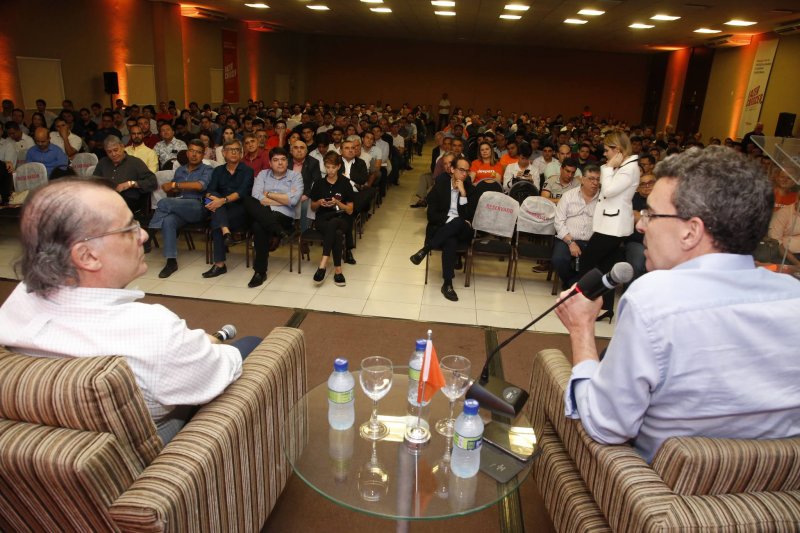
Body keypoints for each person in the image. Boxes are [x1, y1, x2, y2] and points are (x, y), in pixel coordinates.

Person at [555, 146, 800, 464]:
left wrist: (581, 328)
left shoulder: (653, 300)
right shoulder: (793, 295)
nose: (641, 225)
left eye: (652, 215)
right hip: (770, 491)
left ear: (691, 232)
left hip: (651, 489)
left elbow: (605, 426)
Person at [0, 178, 261, 444]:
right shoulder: (152, 329)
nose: (144, 235)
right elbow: (221, 369)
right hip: (153, 447)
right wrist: (208, 344)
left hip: (59, 443)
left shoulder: (18, 300)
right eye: (129, 229)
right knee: (252, 345)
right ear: (87, 256)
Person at [577, 132, 640, 321]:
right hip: (609, 224)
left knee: (587, 261)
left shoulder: (629, 169)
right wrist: (611, 167)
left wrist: (608, 168)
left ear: (617, 149)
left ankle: (586, 303)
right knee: (606, 266)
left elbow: (609, 190)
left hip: (613, 226)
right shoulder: (623, 167)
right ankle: (605, 307)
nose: (604, 154)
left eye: (606, 150)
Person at [409, 155, 474, 302]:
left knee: (458, 222)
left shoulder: (469, 187)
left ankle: (425, 249)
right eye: (461, 170)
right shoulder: (440, 185)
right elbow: (431, 215)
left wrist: (463, 194)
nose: (464, 174)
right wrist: (450, 221)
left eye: (467, 171)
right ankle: (447, 283)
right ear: (452, 169)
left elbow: (468, 216)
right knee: (450, 240)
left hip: (463, 230)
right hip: (443, 228)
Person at [149, 139, 213, 278]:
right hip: (179, 206)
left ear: (203, 155)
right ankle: (171, 261)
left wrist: (174, 185)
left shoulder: (207, 169)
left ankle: (150, 233)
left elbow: (200, 186)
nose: (194, 155)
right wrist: (170, 188)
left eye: (198, 152)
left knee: (164, 203)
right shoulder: (180, 170)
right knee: (169, 221)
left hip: (198, 207)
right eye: (191, 151)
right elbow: (174, 192)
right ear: (187, 152)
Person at [244, 147, 303, 287]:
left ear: (287, 162)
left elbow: (294, 201)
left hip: (284, 216)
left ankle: (260, 272)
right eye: (276, 160)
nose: (280, 163)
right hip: (265, 212)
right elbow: (256, 196)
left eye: (283, 160)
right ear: (270, 163)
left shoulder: (295, 176)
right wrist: (284, 198)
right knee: (247, 200)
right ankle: (278, 231)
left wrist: (268, 195)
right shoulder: (263, 174)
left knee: (258, 225)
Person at [202, 139, 254, 278]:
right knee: (212, 198)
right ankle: (226, 232)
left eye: (237, 150)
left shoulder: (247, 170)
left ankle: (220, 265)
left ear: (241, 154)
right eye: (230, 149)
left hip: (240, 210)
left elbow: (242, 193)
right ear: (224, 153)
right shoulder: (218, 170)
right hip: (220, 209)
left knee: (217, 217)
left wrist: (222, 201)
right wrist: (213, 200)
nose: (234, 152)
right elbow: (209, 191)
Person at [309, 150, 354, 287]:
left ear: (339, 166)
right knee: (337, 233)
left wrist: (338, 203)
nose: (330, 170)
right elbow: (313, 207)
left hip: (341, 218)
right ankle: (338, 271)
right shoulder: (318, 183)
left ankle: (323, 264)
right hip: (323, 218)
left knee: (335, 223)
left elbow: (350, 210)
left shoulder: (345, 183)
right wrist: (320, 202)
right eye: (328, 167)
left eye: (333, 167)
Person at [552, 165, 600, 290]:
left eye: (598, 179)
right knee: (559, 259)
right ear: (583, 179)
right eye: (591, 179)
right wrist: (571, 242)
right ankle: (571, 281)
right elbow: (558, 222)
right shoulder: (568, 196)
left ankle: (573, 283)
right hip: (567, 238)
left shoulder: (603, 199)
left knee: (598, 263)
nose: (595, 183)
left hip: (592, 241)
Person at [624, 173, 655, 280]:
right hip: (637, 241)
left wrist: (641, 215)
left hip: (658, 242)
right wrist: (654, 217)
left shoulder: (662, 198)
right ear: (638, 187)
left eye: (650, 183)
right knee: (637, 263)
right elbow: (633, 216)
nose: (647, 186)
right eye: (643, 184)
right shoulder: (632, 199)